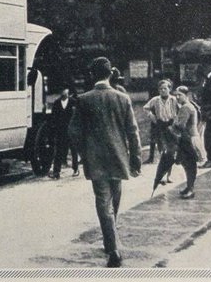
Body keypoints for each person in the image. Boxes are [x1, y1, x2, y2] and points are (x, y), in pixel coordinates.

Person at [69, 57, 142, 268]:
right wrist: (136, 159)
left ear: (92, 75)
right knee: (114, 198)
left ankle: (112, 247)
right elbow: (133, 132)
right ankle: (112, 242)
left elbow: (73, 132)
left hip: (95, 159)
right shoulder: (122, 98)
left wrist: (84, 151)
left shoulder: (84, 99)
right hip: (118, 157)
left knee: (103, 202)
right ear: (111, 74)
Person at [171, 86, 203, 199]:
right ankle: (189, 186)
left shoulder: (185, 107)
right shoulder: (192, 105)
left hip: (187, 139)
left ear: (186, 95)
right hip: (192, 137)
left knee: (189, 164)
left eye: (180, 95)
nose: (177, 97)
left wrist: (173, 122)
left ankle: (190, 188)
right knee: (188, 164)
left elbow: (180, 125)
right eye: (176, 95)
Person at [143, 79, 178, 167]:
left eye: (165, 88)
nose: (163, 90)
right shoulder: (155, 100)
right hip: (159, 122)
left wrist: (176, 117)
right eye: (161, 89)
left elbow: (181, 108)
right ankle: (152, 157)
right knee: (155, 138)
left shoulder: (174, 99)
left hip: (170, 122)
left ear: (169, 89)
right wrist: (151, 115)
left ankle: (174, 157)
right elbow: (145, 107)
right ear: (158, 90)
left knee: (172, 140)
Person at [49, 84, 79, 179]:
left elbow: (77, 117)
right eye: (61, 90)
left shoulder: (73, 102)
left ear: (68, 91)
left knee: (74, 150)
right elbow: (53, 117)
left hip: (71, 130)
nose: (63, 92)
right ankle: (56, 172)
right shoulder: (57, 103)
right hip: (61, 131)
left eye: (65, 90)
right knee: (59, 151)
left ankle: (75, 168)